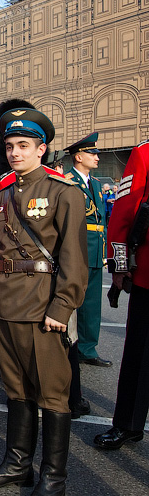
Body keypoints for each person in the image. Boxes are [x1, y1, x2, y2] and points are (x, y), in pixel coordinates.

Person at [0, 107, 87, 496]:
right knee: (16, 391)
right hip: (5, 307)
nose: (15, 153)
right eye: (9, 147)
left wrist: (63, 306)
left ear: (43, 149)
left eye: (24, 146)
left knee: (53, 395)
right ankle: (17, 464)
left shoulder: (64, 193)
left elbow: (74, 259)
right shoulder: (1, 196)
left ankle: (53, 477)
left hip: (43, 308)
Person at [94, 139, 149, 451]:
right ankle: (128, 424)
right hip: (148, 274)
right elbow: (125, 211)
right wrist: (120, 264)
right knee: (140, 354)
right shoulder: (145, 154)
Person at [64, 132, 111, 367]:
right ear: (79, 156)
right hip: (77, 248)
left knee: (92, 304)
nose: (97, 158)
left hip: (95, 250)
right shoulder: (67, 181)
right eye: (93, 154)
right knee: (72, 301)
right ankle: (69, 345)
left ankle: (88, 348)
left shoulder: (95, 184)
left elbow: (100, 220)